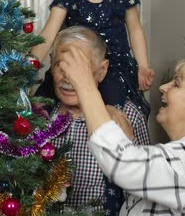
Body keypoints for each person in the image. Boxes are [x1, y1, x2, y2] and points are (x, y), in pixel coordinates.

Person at [31, 0, 155, 214]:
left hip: (113, 69)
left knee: (110, 119)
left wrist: (143, 65)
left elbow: (135, 29)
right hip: (75, 62)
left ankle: (111, 196)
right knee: (41, 108)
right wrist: (31, 61)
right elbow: (49, 31)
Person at [56, 47, 185, 215]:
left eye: (176, 83)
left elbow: (121, 166)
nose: (163, 87)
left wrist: (85, 85)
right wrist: (128, 144)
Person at [47, 26, 150, 212]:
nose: (68, 78)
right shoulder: (40, 117)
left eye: (80, 70)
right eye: (61, 66)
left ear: (102, 70)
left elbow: (141, 193)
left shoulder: (126, 115)